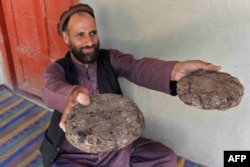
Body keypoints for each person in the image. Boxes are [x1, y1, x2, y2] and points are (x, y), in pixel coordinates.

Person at [39, 3, 221, 167]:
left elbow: (138, 68)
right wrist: (71, 95)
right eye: (80, 35)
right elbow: (50, 88)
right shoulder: (57, 69)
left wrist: (174, 70)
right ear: (66, 37)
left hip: (114, 151)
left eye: (92, 33)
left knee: (165, 157)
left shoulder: (109, 58)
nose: (89, 41)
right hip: (73, 155)